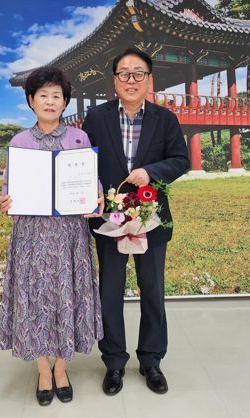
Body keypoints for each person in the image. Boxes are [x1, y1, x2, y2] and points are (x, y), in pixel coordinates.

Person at [82, 47, 189, 396]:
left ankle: (151, 360)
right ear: (115, 80)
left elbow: (180, 160)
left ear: (149, 79)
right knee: (109, 292)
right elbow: (84, 163)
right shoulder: (96, 118)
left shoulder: (165, 119)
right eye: (124, 73)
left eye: (138, 73)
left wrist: (151, 172)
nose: (131, 80)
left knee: (152, 290)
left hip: (151, 217)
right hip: (109, 219)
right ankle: (114, 362)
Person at [0, 66, 104, 406]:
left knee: (67, 294)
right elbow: (7, 187)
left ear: (65, 102)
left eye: (57, 96)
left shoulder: (78, 138)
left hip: (70, 234)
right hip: (31, 235)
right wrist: (5, 201)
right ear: (31, 101)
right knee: (35, 298)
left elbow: (92, 180)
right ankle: (43, 370)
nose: (50, 101)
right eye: (43, 95)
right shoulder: (20, 142)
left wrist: (96, 196)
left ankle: (62, 368)